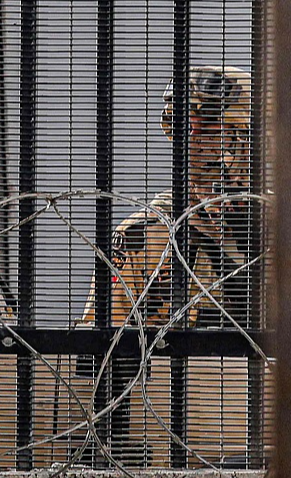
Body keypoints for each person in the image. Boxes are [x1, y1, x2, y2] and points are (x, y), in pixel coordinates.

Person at [85, 66, 256, 329]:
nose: (193, 137)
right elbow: (99, 349)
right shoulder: (145, 235)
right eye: (184, 125)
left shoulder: (277, 234)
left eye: (209, 124)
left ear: (246, 135)